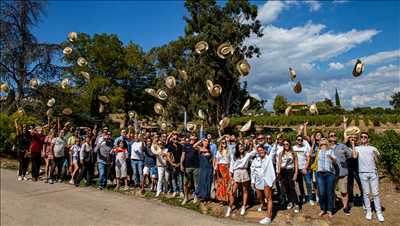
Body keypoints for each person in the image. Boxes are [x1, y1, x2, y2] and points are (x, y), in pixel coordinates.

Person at [351, 132, 384, 222]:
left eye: (365, 137)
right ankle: (369, 211)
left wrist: (375, 155)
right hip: (362, 173)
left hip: (373, 173)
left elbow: (377, 161)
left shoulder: (373, 148)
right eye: (361, 137)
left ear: (368, 138)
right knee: (366, 193)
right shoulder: (357, 148)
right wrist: (353, 144)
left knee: (376, 193)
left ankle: (379, 212)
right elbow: (354, 156)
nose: (363, 138)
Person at [227, 143, 257, 217]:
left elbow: (255, 151)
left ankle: (244, 206)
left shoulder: (247, 155)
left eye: (242, 146)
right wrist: (231, 174)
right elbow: (231, 165)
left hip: (244, 171)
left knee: (245, 190)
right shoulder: (234, 156)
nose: (241, 148)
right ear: (237, 148)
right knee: (233, 191)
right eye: (240, 147)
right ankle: (230, 207)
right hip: (236, 172)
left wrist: (253, 142)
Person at [251, 145, 276, 225]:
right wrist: (253, 181)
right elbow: (253, 171)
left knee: (269, 198)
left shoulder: (269, 158)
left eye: (262, 150)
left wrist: (277, 139)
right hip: (258, 181)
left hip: (267, 180)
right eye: (259, 150)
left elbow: (274, 150)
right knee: (259, 196)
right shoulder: (255, 160)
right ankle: (264, 205)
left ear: (264, 150)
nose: (260, 151)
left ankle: (268, 217)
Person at [328, 131, 352, 215]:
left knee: (344, 191)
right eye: (331, 135)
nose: (333, 136)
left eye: (334, 135)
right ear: (328, 138)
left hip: (342, 172)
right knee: (332, 191)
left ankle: (345, 207)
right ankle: (333, 207)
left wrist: (345, 151)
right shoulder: (326, 147)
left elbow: (350, 155)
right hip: (331, 173)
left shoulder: (342, 146)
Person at [315, 138, 336, 217]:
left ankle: (329, 210)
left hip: (329, 174)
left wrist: (331, 157)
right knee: (321, 192)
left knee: (329, 192)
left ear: (327, 144)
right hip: (320, 174)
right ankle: (323, 208)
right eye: (321, 144)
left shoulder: (331, 151)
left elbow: (335, 161)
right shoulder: (318, 151)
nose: (323, 145)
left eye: (324, 144)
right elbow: (311, 157)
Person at [277, 139, 300, 213]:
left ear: (290, 144)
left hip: (291, 171)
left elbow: (296, 164)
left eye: (287, 144)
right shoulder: (281, 153)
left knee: (292, 187)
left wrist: (296, 173)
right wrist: (279, 172)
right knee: (286, 188)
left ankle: (296, 203)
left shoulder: (293, 153)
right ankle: (290, 201)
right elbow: (279, 163)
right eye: (284, 144)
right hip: (283, 172)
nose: (286, 145)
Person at [293, 135, 313, 205]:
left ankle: (310, 198)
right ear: (296, 141)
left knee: (308, 183)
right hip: (297, 169)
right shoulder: (293, 148)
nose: (299, 141)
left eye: (301, 140)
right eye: (298, 140)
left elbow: (308, 159)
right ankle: (303, 196)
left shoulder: (305, 148)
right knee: (300, 184)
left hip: (304, 168)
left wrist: (305, 168)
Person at [180, 136, 199, 205]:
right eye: (192, 138)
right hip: (187, 167)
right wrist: (181, 164)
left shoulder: (197, 146)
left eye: (194, 138)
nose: (193, 139)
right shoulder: (186, 145)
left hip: (196, 167)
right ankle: (186, 197)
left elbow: (198, 148)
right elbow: (183, 155)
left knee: (196, 183)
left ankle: (196, 197)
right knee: (185, 183)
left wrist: (198, 141)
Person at [166, 132, 184, 197]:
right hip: (173, 164)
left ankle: (181, 191)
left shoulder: (181, 146)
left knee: (180, 178)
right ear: (172, 139)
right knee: (173, 178)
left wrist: (180, 163)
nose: (175, 139)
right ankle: (175, 191)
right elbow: (168, 156)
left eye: (176, 138)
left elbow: (182, 155)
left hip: (179, 164)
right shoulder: (170, 146)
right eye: (174, 138)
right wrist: (172, 163)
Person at [214, 138, 231, 204]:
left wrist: (230, 168)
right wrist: (215, 168)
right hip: (220, 167)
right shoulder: (218, 151)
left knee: (227, 183)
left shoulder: (229, 151)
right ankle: (221, 199)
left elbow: (230, 160)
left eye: (225, 143)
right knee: (221, 183)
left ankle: (228, 199)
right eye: (222, 143)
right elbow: (217, 160)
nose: (224, 144)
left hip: (227, 167)